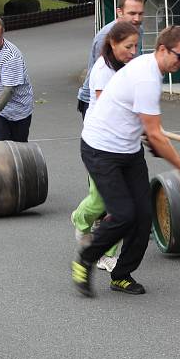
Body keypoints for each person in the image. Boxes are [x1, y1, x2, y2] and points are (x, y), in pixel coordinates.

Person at [71, 25, 180, 297]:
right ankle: (85, 258)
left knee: (143, 216)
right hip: (101, 149)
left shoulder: (148, 69)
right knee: (123, 214)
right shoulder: (147, 77)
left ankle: (121, 274)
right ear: (163, 50)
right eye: (179, 57)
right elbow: (155, 134)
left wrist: (151, 138)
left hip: (128, 150)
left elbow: (144, 124)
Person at [71, 21, 140, 273]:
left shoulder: (128, 66)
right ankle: (81, 218)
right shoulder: (103, 70)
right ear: (113, 43)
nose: (133, 52)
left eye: (135, 46)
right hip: (100, 143)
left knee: (121, 205)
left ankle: (106, 253)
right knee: (100, 200)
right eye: (128, 46)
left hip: (124, 144)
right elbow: (107, 107)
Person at [76, 0, 144, 119]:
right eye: (132, 13)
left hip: (122, 96)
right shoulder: (106, 36)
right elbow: (101, 79)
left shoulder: (138, 30)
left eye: (140, 14)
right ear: (119, 12)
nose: (137, 19)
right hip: (95, 99)